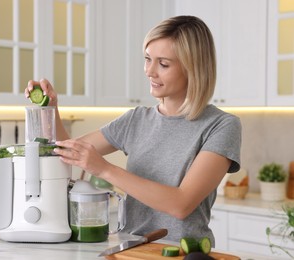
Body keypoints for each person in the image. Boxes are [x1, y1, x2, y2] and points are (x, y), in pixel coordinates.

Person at [25, 15, 241, 245]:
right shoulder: (137, 119)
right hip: (132, 248)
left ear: (193, 68)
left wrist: (104, 169)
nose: (150, 71)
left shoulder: (221, 126)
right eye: (148, 59)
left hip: (184, 252)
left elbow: (181, 204)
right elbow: (67, 153)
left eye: (164, 64)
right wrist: (51, 107)